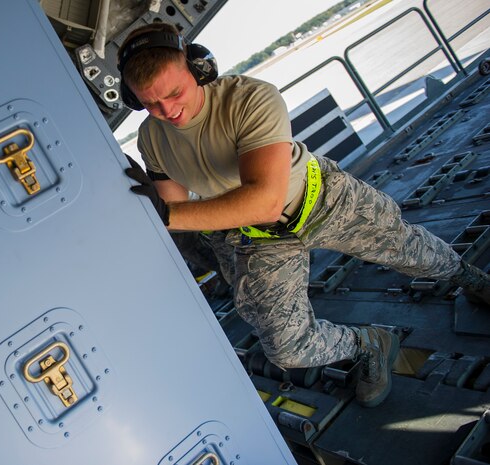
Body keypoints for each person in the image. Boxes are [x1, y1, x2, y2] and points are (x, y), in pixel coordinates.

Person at [118, 22, 490, 408]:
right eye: (150, 103)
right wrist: (155, 205)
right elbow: (176, 208)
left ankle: (473, 280)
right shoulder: (152, 138)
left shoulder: (249, 99)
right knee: (287, 348)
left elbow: (264, 200)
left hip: (321, 201)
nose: (168, 111)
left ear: (198, 69)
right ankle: (370, 344)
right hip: (257, 239)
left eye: (175, 93)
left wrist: (168, 214)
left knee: (415, 253)